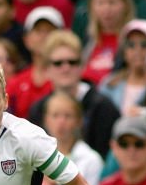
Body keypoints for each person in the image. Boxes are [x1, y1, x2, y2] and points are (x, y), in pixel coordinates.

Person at [27, 29, 121, 159]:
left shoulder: (103, 107)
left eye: (72, 62)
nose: (66, 68)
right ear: (47, 69)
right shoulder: (38, 109)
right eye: (58, 63)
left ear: (82, 66)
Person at [42, 91, 103, 185]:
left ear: (79, 121)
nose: (61, 122)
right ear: (46, 120)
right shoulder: (36, 156)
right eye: (55, 115)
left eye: (67, 116)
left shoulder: (91, 159)